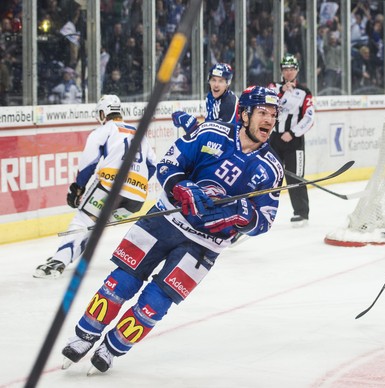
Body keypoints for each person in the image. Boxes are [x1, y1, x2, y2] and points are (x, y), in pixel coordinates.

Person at [59, 86, 283, 374]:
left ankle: (113, 347)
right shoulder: (211, 132)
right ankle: (84, 335)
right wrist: (180, 187)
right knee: (122, 281)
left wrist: (239, 215)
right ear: (244, 114)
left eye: (274, 115)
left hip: (205, 246)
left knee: (156, 303)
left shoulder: (271, 167)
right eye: (263, 112)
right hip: (163, 221)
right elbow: (168, 164)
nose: (269, 120)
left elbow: (265, 219)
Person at [33, 95, 156, 278]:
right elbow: (152, 165)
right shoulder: (138, 132)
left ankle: (58, 262)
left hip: (109, 188)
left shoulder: (103, 130)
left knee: (83, 221)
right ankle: (64, 256)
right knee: (92, 226)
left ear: (102, 112)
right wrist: (134, 183)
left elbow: (88, 163)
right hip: (136, 198)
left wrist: (77, 188)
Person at [268, 54, 315, 226]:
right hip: (274, 140)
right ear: (281, 71)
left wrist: (293, 133)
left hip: (294, 142)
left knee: (296, 177)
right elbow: (267, 105)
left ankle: (302, 213)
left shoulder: (304, 92)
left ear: (296, 70)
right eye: (285, 69)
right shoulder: (273, 87)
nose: (288, 72)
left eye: (291, 69)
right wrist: (281, 92)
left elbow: (309, 118)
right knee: (269, 175)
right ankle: (262, 211)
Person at [171, 62, 238, 135]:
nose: (216, 85)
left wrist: (192, 126)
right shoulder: (210, 97)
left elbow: (219, 136)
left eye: (221, 81)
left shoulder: (230, 102)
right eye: (213, 80)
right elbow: (209, 129)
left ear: (227, 83)